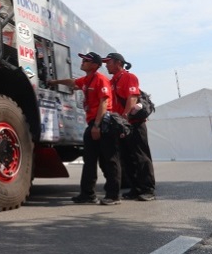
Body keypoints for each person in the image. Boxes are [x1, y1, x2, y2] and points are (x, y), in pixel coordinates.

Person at [49, 52, 121, 205]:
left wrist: (97, 125)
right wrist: (54, 81)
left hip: (103, 123)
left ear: (94, 65)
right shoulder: (87, 80)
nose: (82, 62)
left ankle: (113, 195)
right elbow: (71, 82)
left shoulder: (100, 79)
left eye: (86, 60)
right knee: (89, 160)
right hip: (92, 124)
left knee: (109, 160)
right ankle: (87, 194)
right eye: (82, 60)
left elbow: (103, 103)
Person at [103, 52, 156, 201]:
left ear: (119, 63)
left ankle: (148, 190)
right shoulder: (112, 81)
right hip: (122, 126)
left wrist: (124, 118)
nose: (106, 65)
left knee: (141, 157)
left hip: (134, 124)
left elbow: (132, 97)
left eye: (109, 62)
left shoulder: (129, 77)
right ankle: (136, 188)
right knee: (127, 158)